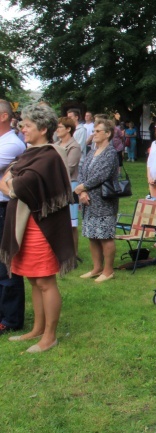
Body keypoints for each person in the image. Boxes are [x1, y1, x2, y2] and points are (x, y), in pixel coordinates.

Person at [0, 103, 74, 352]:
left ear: (43, 128)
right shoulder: (32, 153)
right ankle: (37, 329)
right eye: (21, 125)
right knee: (33, 280)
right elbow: (10, 182)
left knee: (45, 281)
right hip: (26, 225)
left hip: (43, 228)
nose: (23, 130)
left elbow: (17, 187)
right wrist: (10, 183)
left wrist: (9, 183)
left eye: (28, 125)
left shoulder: (50, 155)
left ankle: (50, 336)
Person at [75, 118, 120, 283]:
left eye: (97, 131)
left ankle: (108, 270)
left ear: (107, 134)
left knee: (105, 235)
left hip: (103, 200)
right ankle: (96, 267)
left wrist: (83, 187)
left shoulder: (110, 153)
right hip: (88, 199)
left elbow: (102, 175)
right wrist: (82, 191)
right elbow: (83, 171)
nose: (94, 134)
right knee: (92, 235)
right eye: (93, 131)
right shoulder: (92, 150)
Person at [0, 100, 26, 336]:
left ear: (4, 117)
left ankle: (11, 318)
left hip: (4, 208)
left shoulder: (11, 144)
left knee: (6, 264)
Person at [55, 117, 82, 260]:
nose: (57, 129)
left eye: (60, 127)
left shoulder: (74, 146)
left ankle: (74, 253)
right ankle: (60, 251)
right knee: (58, 219)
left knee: (71, 223)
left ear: (68, 129)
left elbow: (69, 167)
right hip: (56, 184)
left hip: (70, 185)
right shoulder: (56, 144)